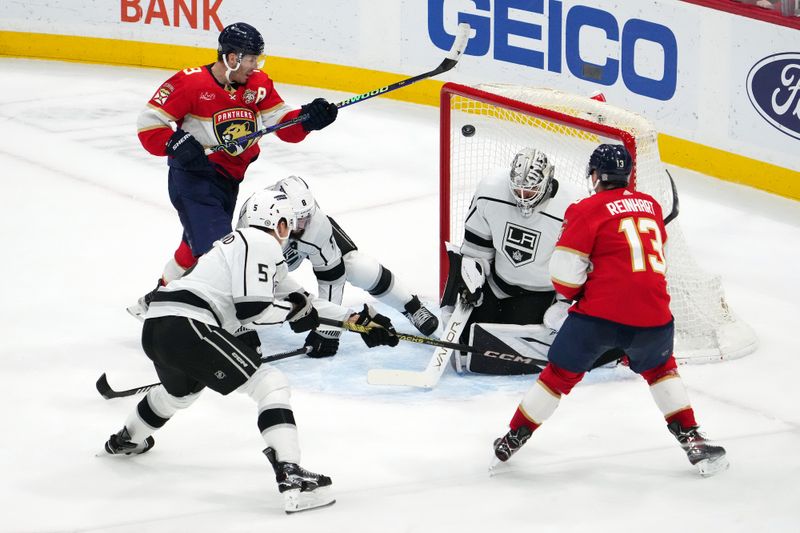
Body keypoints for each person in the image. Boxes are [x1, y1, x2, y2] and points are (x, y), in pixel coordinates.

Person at [104, 189, 399, 514]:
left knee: (180, 394)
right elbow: (254, 309)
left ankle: (128, 437)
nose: (294, 231)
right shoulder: (260, 244)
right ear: (279, 223)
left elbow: (302, 302)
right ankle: (292, 476)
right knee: (269, 383)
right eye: (291, 223)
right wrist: (294, 310)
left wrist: (355, 320)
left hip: (160, 328)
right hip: (189, 324)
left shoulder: (238, 247)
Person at [491, 144, 729, 477]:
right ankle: (692, 438)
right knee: (661, 369)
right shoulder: (650, 206)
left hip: (598, 320)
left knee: (558, 376)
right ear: (629, 175)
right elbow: (649, 262)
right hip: (654, 319)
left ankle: (514, 437)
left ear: (594, 176)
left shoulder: (586, 209)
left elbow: (562, 275)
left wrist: (576, 295)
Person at [127, 22, 339, 320]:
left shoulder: (258, 84)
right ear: (230, 57)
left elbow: (282, 122)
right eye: (251, 59)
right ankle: (225, 322)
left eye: (256, 59)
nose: (255, 66)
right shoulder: (189, 83)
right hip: (193, 179)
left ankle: (157, 298)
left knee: (194, 245)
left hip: (228, 180)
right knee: (220, 250)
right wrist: (175, 141)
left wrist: (307, 119)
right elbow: (148, 124)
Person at [439, 147, 590, 375]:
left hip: (539, 293)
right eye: (518, 189)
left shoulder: (574, 206)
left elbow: (576, 264)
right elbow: (476, 249)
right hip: (497, 284)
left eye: (530, 191)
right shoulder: (490, 190)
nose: (523, 197)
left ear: (548, 183)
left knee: (501, 349)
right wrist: (470, 281)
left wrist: (564, 302)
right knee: (467, 341)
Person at [270, 175, 439, 357]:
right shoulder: (256, 227)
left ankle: (411, 307)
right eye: (298, 220)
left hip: (290, 245)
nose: (304, 226)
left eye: (307, 218)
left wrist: (327, 331)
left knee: (359, 267)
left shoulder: (316, 225)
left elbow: (331, 279)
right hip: (271, 258)